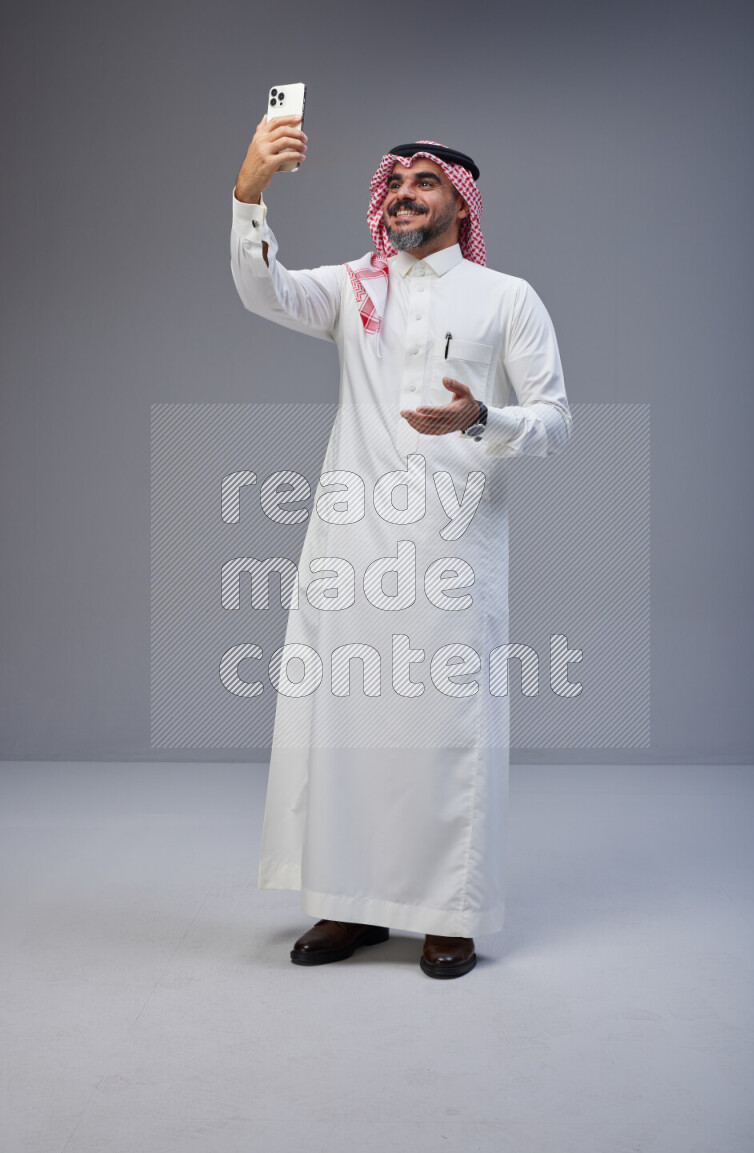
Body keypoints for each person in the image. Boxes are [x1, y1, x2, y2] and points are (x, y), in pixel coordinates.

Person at [230, 113, 572, 979]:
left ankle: (447, 914)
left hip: (453, 553)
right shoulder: (356, 288)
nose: (404, 194)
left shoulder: (507, 298)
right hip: (353, 545)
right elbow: (264, 293)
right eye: (396, 182)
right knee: (345, 724)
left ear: (461, 202)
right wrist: (249, 196)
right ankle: (348, 907)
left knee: (445, 727)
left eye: (425, 182)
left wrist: (481, 416)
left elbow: (557, 421)